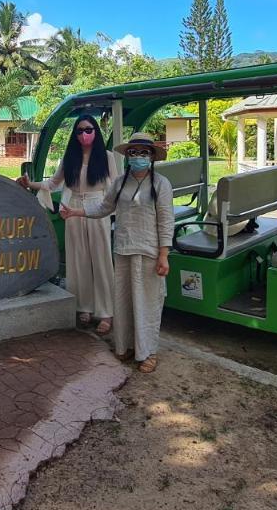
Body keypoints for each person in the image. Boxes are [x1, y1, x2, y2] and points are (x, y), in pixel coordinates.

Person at [61, 132, 173, 373]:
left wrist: (164, 254)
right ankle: (125, 346)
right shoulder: (120, 181)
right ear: (127, 155)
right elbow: (104, 207)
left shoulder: (161, 183)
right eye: (133, 152)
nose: (138, 157)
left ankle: (148, 352)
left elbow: (166, 221)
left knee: (148, 303)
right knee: (123, 302)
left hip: (149, 251)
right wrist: (76, 212)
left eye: (144, 152)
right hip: (123, 250)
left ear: (152, 156)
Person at [17, 114, 117, 334]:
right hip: (72, 211)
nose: (84, 134)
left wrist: (113, 212)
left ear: (96, 132)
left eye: (89, 130)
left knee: (100, 260)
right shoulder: (69, 157)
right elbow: (53, 183)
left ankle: (106, 311)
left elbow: (114, 188)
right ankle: (84, 306)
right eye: (80, 130)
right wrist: (29, 183)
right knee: (78, 259)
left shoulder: (107, 157)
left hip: (97, 208)